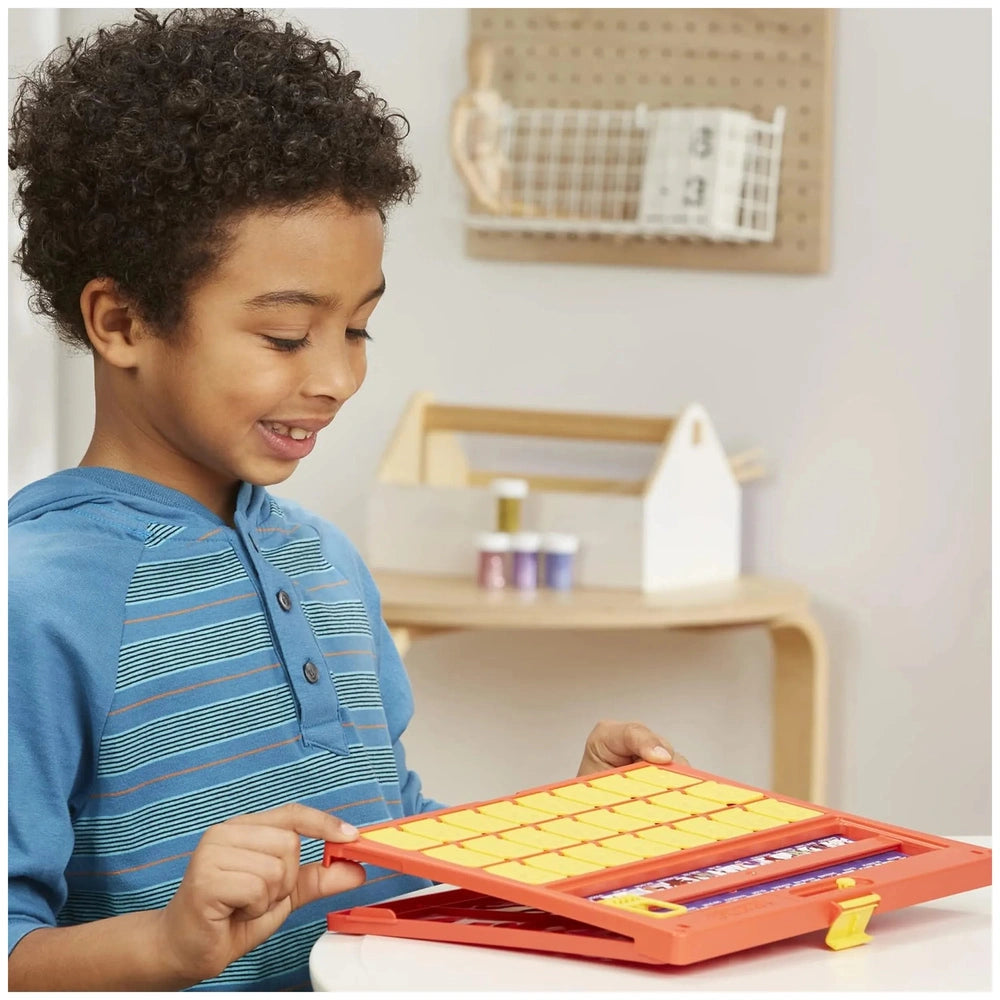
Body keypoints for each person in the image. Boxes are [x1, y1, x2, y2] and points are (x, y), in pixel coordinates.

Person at [7, 9, 687, 991]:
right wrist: (165, 948)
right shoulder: (34, 600)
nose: (335, 377)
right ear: (120, 321)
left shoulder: (324, 563)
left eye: (358, 329)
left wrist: (565, 829)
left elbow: (391, 856)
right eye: (286, 337)